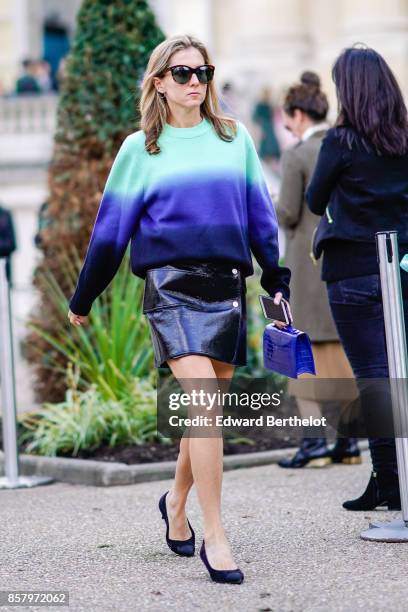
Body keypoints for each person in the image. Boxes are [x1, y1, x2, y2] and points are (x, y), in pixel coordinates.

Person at [67, 34, 291, 584]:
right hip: (170, 289)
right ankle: (216, 534)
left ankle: (175, 504)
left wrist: (277, 280)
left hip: (228, 289)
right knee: (206, 406)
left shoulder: (234, 139)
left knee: (203, 415)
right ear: (159, 82)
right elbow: (109, 232)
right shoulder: (139, 150)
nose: (196, 82)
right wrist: (84, 295)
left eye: (203, 73)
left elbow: (261, 219)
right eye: (184, 73)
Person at [306, 45, 408, 511]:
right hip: (400, 267)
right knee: (398, 374)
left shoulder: (340, 142)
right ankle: (390, 480)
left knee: (372, 379)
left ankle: (389, 481)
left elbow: (312, 200)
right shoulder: (404, 139)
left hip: (351, 271)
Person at [276, 71, 360, 469]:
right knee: (340, 351)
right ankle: (348, 444)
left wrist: (266, 200)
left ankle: (312, 443)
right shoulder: (345, 145)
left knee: (299, 351)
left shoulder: (297, 154)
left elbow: (289, 212)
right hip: (342, 258)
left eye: (287, 117)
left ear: (298, 114)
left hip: (305, 266)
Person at [252, 87, 280, 166]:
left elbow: (272, 116)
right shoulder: (260, 105)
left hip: (269, 126)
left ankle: (271, 160)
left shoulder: (269, 105)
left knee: (271, 143)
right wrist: (259, 127)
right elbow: (255, 117)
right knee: (264, 143)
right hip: (263, 127)